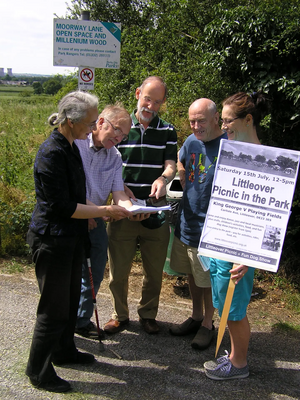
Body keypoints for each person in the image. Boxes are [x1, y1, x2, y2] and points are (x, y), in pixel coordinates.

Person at [26, 91, 132, 393]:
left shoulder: (71, 146)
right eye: (89, 122)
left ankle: (64, 350)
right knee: (53, 307)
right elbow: (63, 206)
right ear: (71, 121)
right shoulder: (52, 152)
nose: (91, 128)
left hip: (71, 238)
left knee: (71, 299)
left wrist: (118, 205)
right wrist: (105, 210)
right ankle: (38, 370)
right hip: (51, 238)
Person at [104, 76, 177, 334]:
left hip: (155, 208)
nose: (150, 106)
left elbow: (171, 164)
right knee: (119, 270)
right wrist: (120, 191)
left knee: (154, 270)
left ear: (162, 103)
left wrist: (163, 178)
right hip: (122, 208)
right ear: (138, 94)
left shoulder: (168, 130)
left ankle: (148, 315)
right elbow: (108, 161)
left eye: (157, 102)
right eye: (147, 98)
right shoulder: (122, 126)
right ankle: (119, 316)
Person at [204, 91, 269, 380]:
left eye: (228, 121)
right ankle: (231, 356)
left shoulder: (267, 160)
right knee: (224, 304)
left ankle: (239, 364)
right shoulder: (230, 152)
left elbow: (269, 215)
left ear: (248, 119)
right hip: (222, 243)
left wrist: (250, 256)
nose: (223, 126)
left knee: (235, 309)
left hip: (242, 250)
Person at [75, 104, 149, 338]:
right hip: (72, 218)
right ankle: (61, 325)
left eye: (124, 136)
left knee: (94, 273)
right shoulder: (75, 144)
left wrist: (131, 210)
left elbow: (119, 194)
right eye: (117, 130)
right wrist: (93, 210)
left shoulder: (115, 156)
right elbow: (68, 186)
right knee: (68, 274)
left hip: (96, 221)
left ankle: (81, 319)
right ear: (100, 123)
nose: (119, 138)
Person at [168, 98, 227, 350]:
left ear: (216, 119)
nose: (195, 126)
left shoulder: (229, 145)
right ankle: (195, 317)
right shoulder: (192, 141)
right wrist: (183, 176)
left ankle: (208, 325)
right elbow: (181, 158)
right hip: (187, 222)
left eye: (201, 120)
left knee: (208, 279)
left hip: (212, 228)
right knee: (192, 274)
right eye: (192, 121)